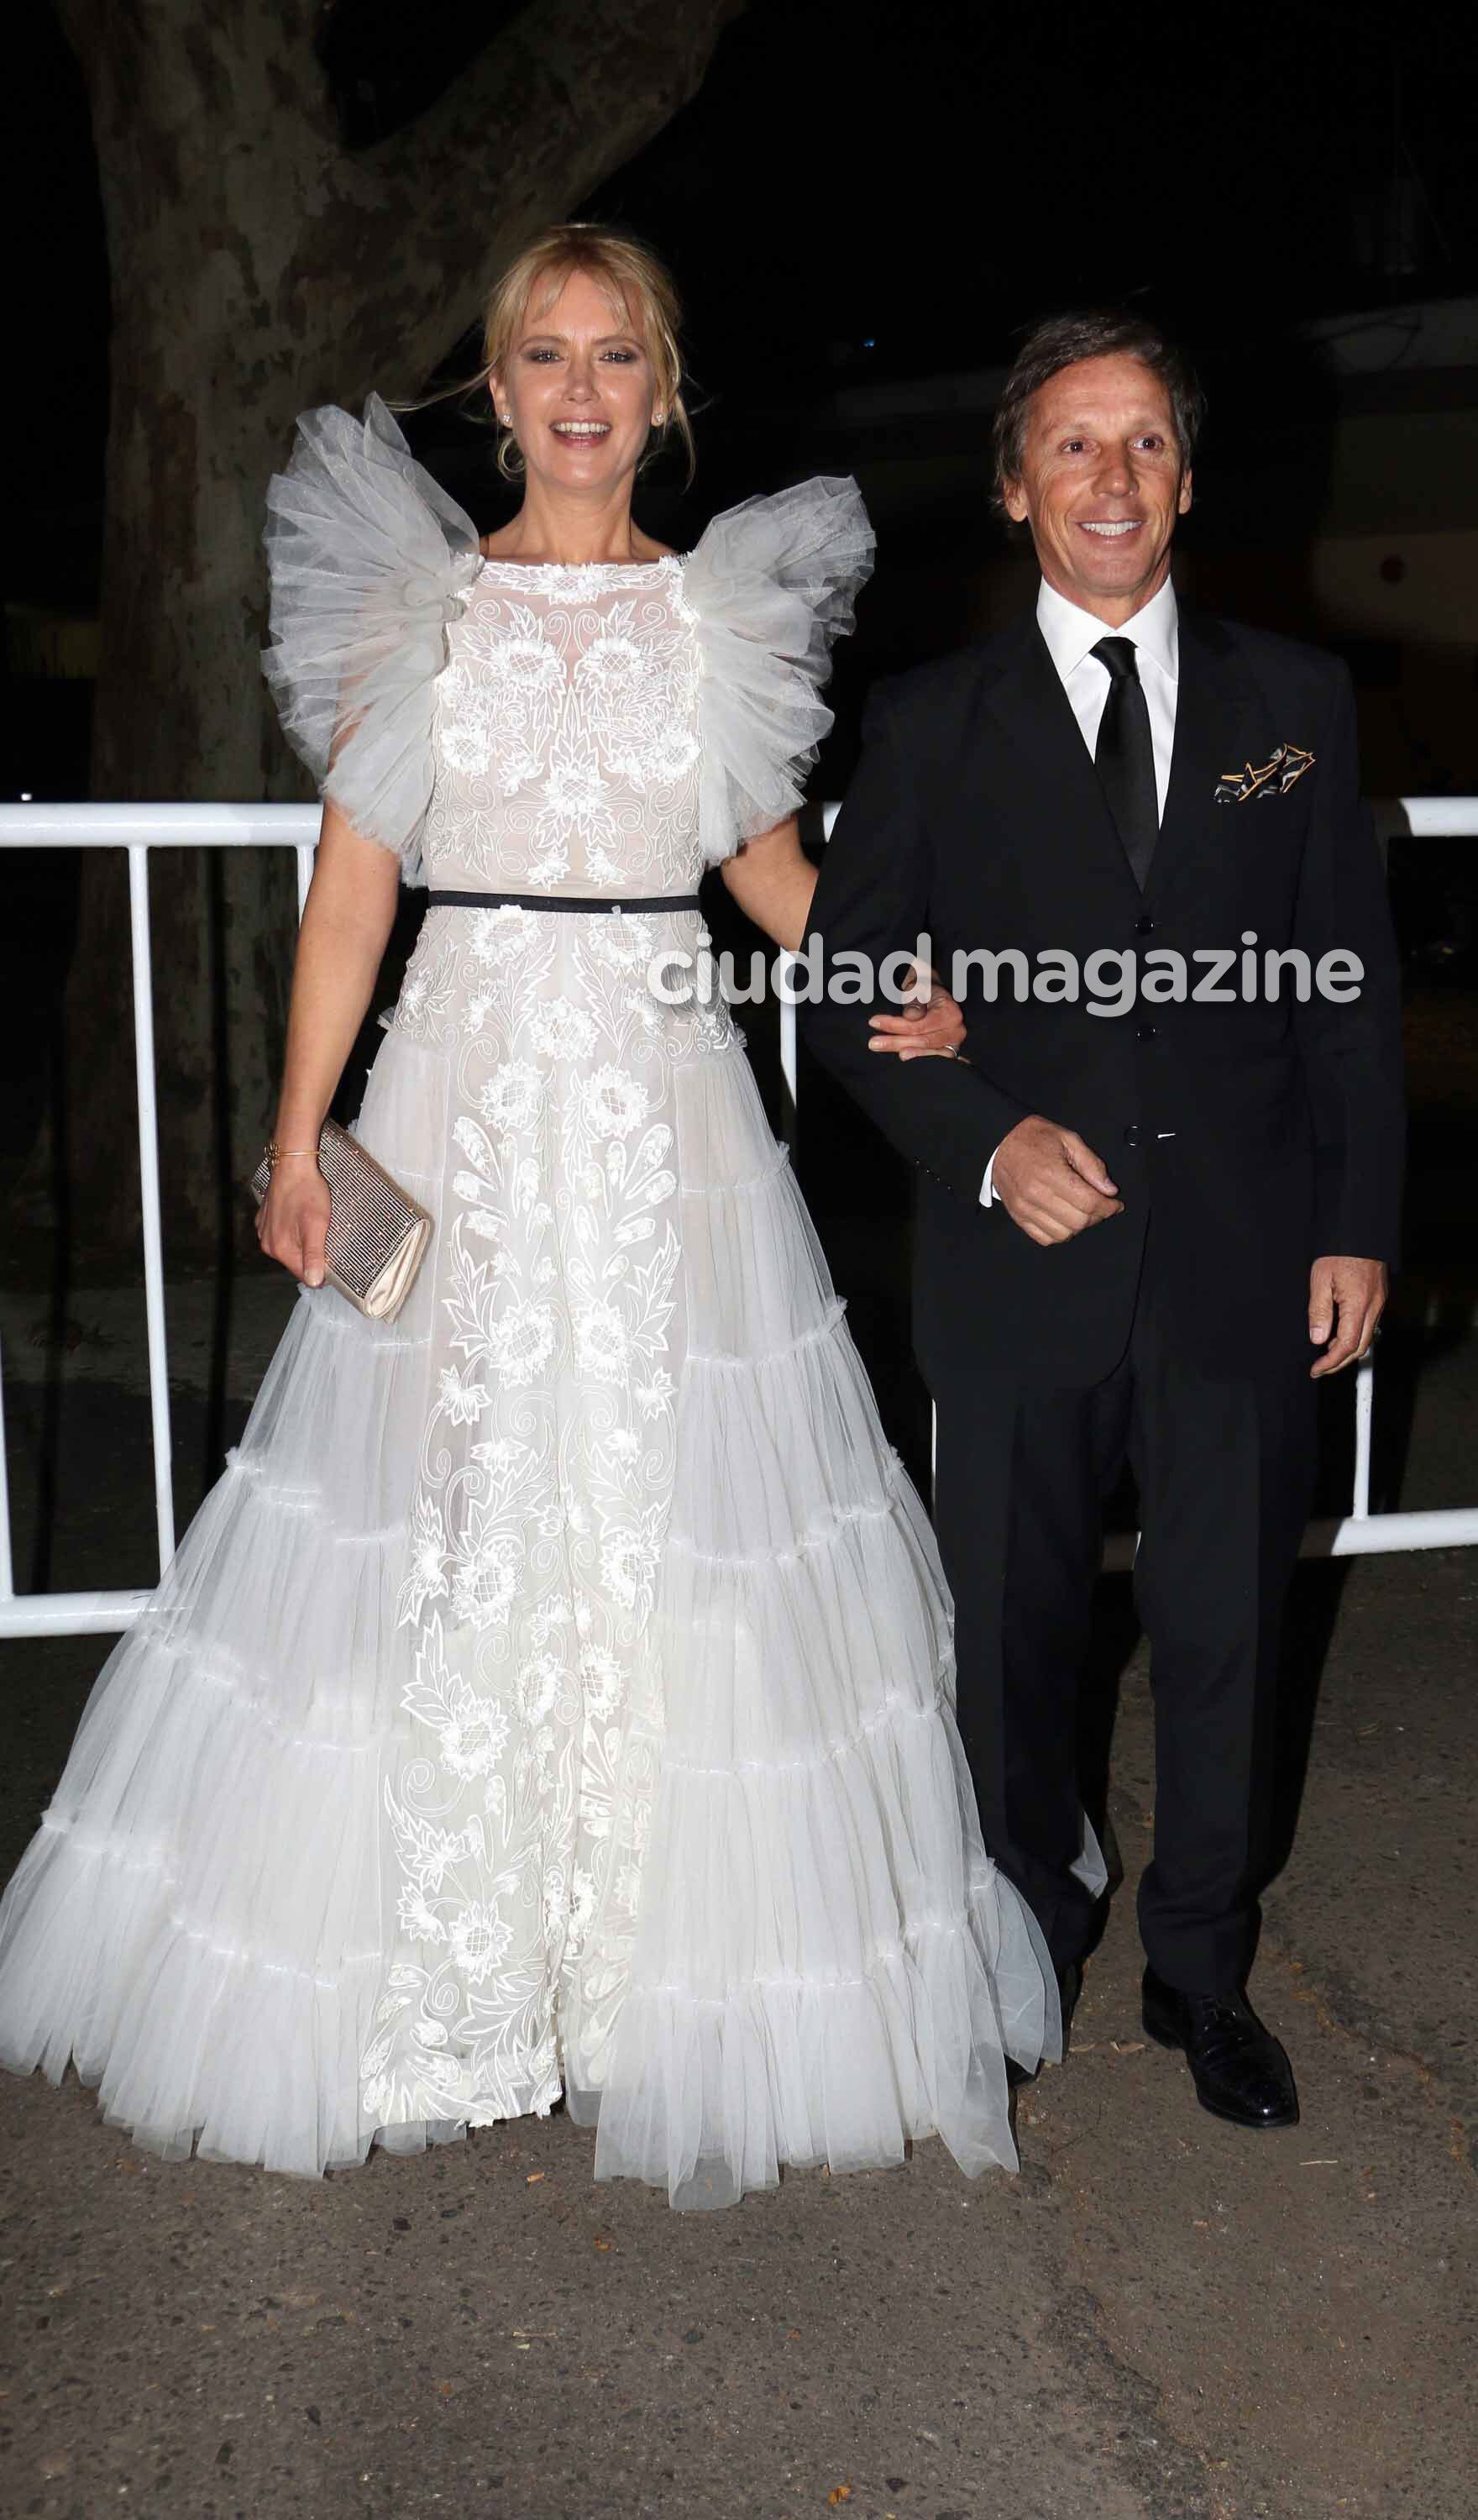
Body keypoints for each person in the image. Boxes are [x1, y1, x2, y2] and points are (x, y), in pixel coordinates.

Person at [0, 226, 1059, 2207]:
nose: (581, 388)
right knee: (430, 1498)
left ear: (665, 392)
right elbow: (350, 893)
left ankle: (655, 1990)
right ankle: (434, 1978)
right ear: (495, 393)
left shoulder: (718, 618)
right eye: (545, 356)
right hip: (455, 1101)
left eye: (619, 355)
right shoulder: (414, 612)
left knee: (676, 1500)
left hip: (667, 1105)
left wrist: (895, 984)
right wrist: (298, 1139)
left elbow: (764, 875)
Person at [802, 311, 1405, 2130]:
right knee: (1015, 1637)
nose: (1111, 478)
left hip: (1239, 1256)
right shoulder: (926, 724)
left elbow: (1349, 990)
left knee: (1228, 1628)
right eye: (1073, 445)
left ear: (1188, 479)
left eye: (1143, 442)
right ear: (1012, 489)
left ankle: (1202, 1972)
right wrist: (982, 1141)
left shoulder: (1292, 707)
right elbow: (847, 988)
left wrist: (1357, 1221)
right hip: (1016, 1265)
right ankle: (1016, 1947)